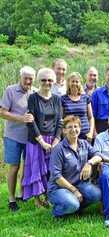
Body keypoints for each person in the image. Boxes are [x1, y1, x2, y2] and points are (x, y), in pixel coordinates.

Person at [22, 68, 63, 207]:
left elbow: (60, 122)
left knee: (50, 170)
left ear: (54, 81)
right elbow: (30, 121)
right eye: (44, 80)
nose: (47, 83)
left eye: (50, 80)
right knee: (36, 169)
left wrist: (56, 141)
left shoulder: (57, 99)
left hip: (53, 140)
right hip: (36, 140)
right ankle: (37, 200)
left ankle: (48, 196)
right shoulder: (33, 98)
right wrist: (41, 141)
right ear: (39, 81)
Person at [48, 115, 101, 217]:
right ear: (64, 131)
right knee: (72, 204)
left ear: (80, 129)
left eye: (76, 126)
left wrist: (89, 163)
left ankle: (75, 208)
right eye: (70, 127)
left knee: (97, 194)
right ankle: (57, 212)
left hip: (79, 184)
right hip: (59, 188)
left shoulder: (84, 144)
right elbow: (57, 176)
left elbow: (98, 155)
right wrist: (74, 190)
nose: (73, 130)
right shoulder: (58, 149)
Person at [0, 66, 36, 211]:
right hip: (13, 136)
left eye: (30, 79)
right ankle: (11, 198)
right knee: (14, 167)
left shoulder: (35, 92)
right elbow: (2, 112)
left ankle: (22, 194)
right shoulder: (10, 90)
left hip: (29, 137)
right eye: (25, 78)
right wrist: (21, 119)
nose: (28, 81)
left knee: (26, 166)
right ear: (20, 77)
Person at [61, 72, 94, 142]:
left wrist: (91, 133)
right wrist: (64, 134)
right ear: (68, 83)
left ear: (80, 83)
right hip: (70, 135)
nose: (74, 84)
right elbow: (61, 119)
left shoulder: (85, 98)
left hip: (85, 136)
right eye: (72, 81)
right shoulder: (63, 99)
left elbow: (91, 117)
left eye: (77, 81)